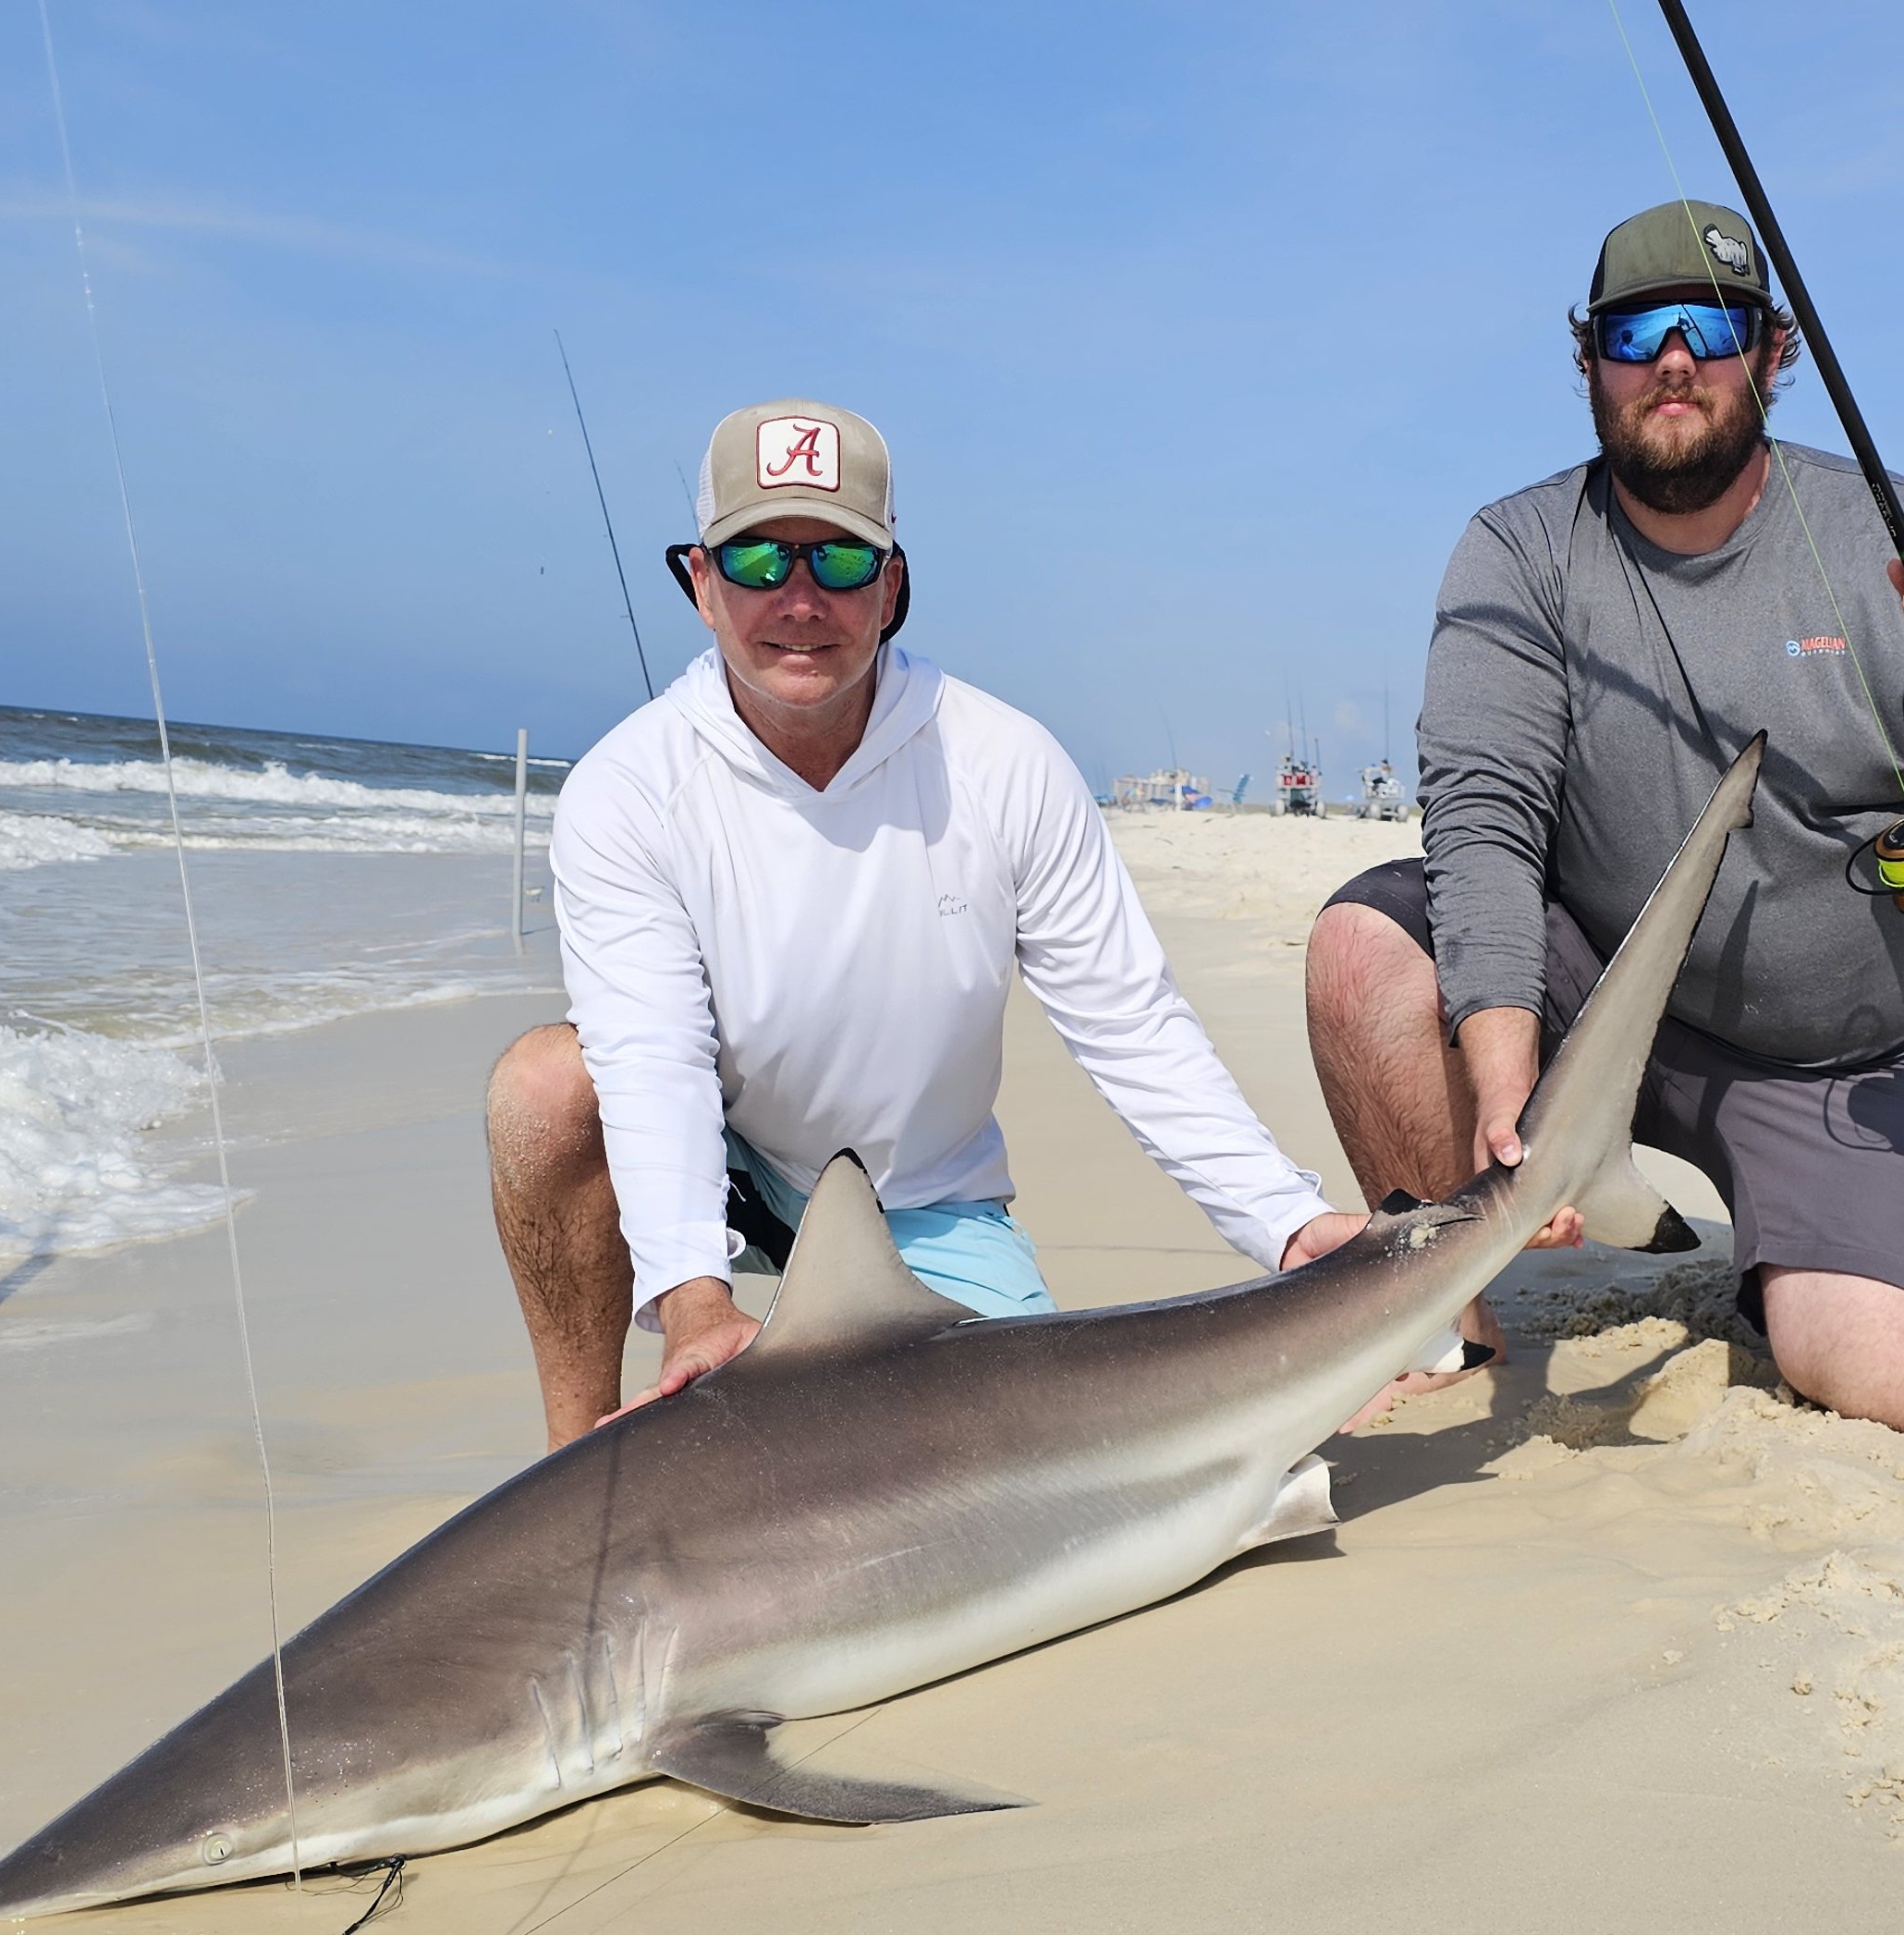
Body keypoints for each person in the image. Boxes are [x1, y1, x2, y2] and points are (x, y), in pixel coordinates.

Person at [1306, 201, 1904, 1436]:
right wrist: (1505, 1085)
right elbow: (1484, 823)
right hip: (1615, 1014)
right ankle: (1445, 1308)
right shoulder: (1519, 552)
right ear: (1590, 360)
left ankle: (1801, 1241)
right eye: (1639, 332)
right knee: (1364, 952)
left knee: (1901, 1381)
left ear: (1773, 352)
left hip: (1854, 1056)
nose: (1676, 359)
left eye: (1713, 326)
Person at [490, 401, 1361, 1443]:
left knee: (1015, 1461)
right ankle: (577, 1466)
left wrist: (1286, 1221)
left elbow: (1129, 1023)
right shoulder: (626, 788)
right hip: (729, 1156)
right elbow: (653, 1058)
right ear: (700, 585)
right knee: (547, 1090)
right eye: (761, 560)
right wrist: (695, 1304)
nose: (800, 601)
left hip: (924, 1194)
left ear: (892, 584)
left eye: (841, 563)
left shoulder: (1004, 762)